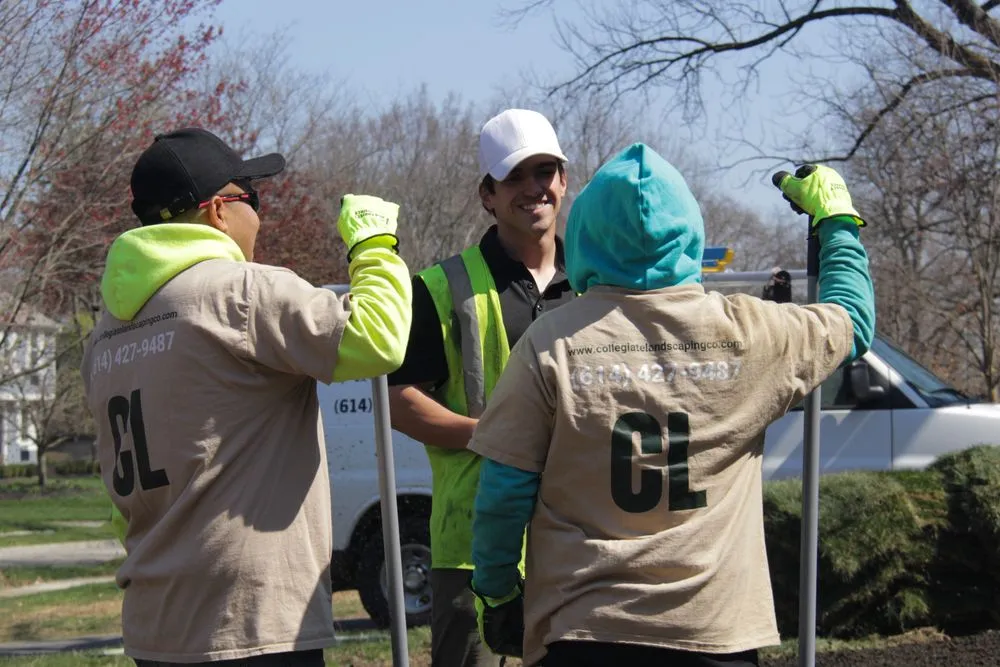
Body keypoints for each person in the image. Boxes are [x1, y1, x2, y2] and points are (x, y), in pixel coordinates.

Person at [467, 144, 875, 667]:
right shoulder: (750, 333)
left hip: (583, 627)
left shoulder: (550, 343)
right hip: (712, 629)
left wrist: (498, 592)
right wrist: (837, 221)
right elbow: (851, 319)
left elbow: (504, 490)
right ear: (689, 232)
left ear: (587, 234)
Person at [81, 127, 412, 666]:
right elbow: (377, 338)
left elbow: (124, 503)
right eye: (251, 199)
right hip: (250, 618)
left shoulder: (105, 336)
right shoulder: (241, 291)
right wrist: (373, 244)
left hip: (155, 621)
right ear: (218, 210)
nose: (258, 216)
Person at [386, 108, 577, 667]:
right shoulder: (439, 287)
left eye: (544, 172)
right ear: (487, 196)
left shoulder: (598, 282)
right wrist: (497, 439)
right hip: (471, 552)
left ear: (564, 180)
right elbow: (399, 400)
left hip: (582, 544)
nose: (533, 188)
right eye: (514, 177)